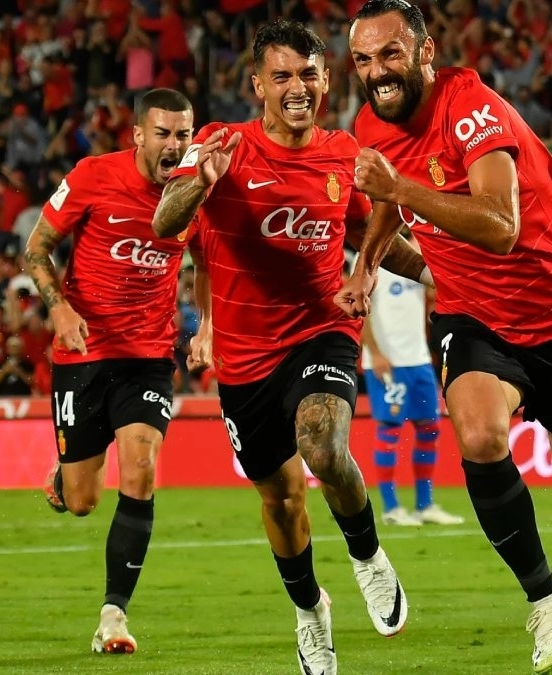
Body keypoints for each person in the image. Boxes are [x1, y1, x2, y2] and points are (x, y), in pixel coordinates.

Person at [342, 2, 552, 673]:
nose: (376, 71)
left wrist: (400, 188)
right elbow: (386, 198)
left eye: (388, 54)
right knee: (477, 435)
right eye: (361, 59)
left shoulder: (470, 109)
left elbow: (501, 225)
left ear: (424, 51)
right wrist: (365, 265)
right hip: (471, 311)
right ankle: (546, 600)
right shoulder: (371, 124)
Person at [150, 18, 427, 674]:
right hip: (244, 360)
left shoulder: (344, 154)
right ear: (258, 85)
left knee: (323, 443)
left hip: (321, 328)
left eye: (307, 73)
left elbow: (381, 240)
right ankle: (310, 612)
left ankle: (368, 555)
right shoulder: (221, 143)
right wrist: (200, 181)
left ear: (326, 78)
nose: (296, 86)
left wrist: (454, 272)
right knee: (278, 497)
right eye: (282, 76)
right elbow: (166, 219)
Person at [22, 88, 196, 655]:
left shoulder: (196, 189)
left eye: (184, 134)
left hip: (148, 355)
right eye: (164, 133)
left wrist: (211, 326)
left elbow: (214, 260)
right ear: (139, 135)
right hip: (83, 351)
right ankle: (66, 472)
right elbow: (37, 248)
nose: (175, 145)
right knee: (82, 501)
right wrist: (59, 307)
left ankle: (113, 617)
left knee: (141, 469)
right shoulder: (94, 175)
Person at [359, 232, 465, 528]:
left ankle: (424, 504)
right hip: (387, 362)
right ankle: (391, 508)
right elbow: (361, 313)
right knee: (390, 431)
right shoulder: (370, 255)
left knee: (429, 429)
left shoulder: (419, 251)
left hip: (418, 360)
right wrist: (376, 354)